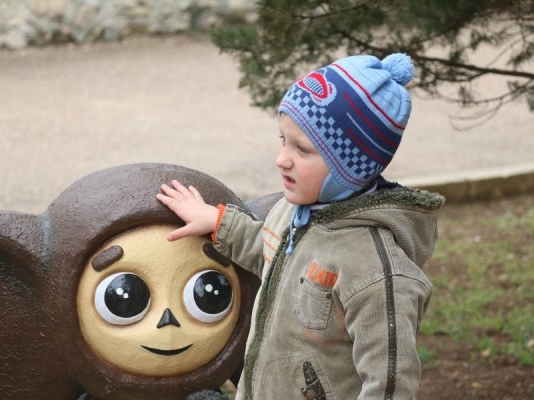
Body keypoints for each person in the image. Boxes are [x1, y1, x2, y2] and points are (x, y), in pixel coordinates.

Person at [157, 53, 444, 400]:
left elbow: (390, 384)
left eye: (303, 149)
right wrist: (217, 222)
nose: (282, 159)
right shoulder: (293, 212)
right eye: (283, 140)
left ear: (350, 167)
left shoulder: (375, 271)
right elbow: (271, 252)